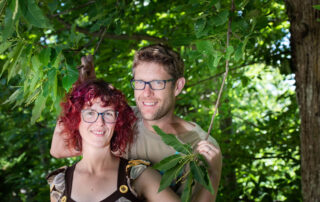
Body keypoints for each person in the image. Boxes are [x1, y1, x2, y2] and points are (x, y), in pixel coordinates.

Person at [50, 44, 222, 201]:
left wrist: (214, 173)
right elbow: (59, 149)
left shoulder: (198, 145)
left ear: (177, 86)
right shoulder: (123, 119)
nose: (146, 93)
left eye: (157, 83)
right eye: (140, 83)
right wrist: (85, 90)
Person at [47, 80, 180, 202]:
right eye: (90, 113)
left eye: (108, 113)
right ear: (76, 119)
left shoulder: (138, 175)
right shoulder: (60, 183)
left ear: (118, 122)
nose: (100, 122)